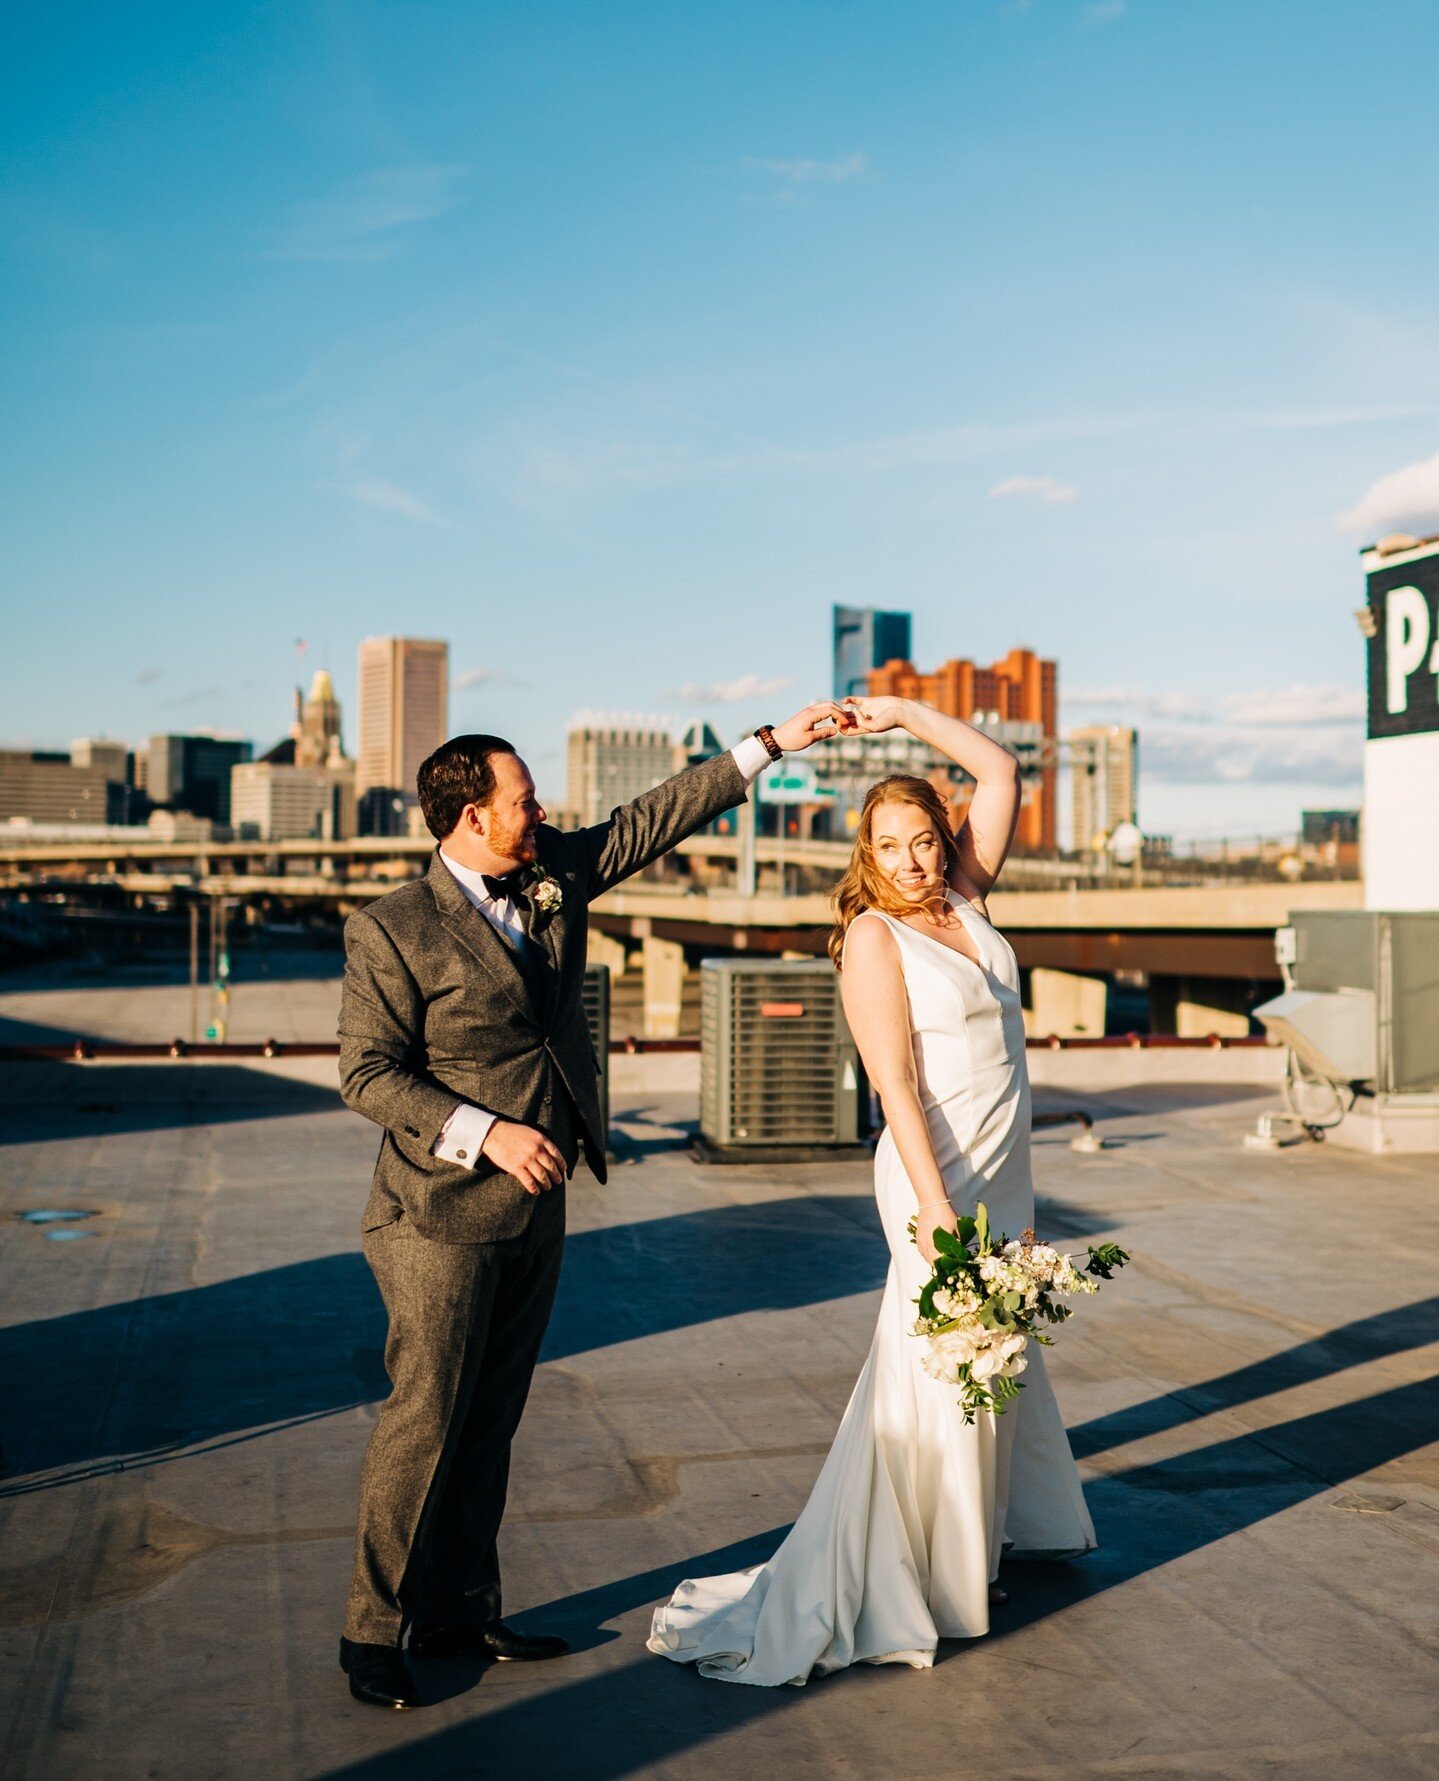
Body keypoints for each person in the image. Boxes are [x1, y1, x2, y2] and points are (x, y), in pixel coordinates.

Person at [336, 704, 845, 1709]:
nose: (540, 808)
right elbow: (365, 1072)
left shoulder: (554, 869)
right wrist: (485, 1129)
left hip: (535, 1210)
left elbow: (652, 816)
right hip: (435, 1214)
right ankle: (370, 1628)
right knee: (423, 1419)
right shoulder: (391, 926)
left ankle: (458, 1604)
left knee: (491, 1417)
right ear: (471, 815)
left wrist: (770, 743)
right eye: (521, 797)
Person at [647, 693, 1096, 1687]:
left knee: (998, 1349)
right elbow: (892, 1082)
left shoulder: (967, 898)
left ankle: (972, 1544)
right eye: (889, 845)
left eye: (923, 837)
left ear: (943, 836)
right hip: (934, 1169)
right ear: (867, 853)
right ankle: (926, 1568)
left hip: (1003, 1162)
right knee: (938, 1360)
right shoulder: (872, 938)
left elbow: (1002, 769)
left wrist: (893, 710)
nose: (911, 859)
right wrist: (935, 1208)